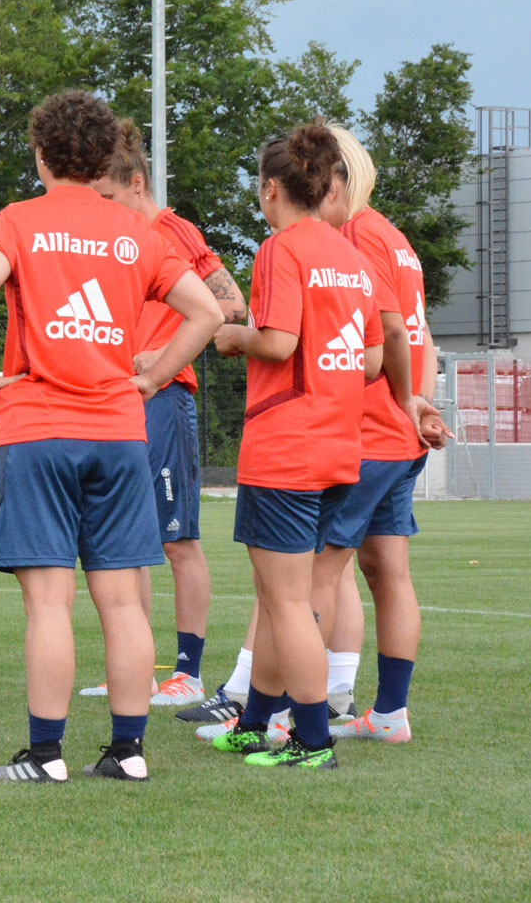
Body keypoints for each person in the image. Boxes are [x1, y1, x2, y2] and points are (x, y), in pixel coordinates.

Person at [0, 91, 221, 783]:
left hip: (38, 429)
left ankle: (46, 757)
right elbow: (205, 311)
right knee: (124, 599)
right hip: (118, 433)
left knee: (49, 601)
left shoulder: (16, 222)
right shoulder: (140, 234)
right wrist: (155, 376)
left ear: (41, 154)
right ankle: (129, 753)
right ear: (106, 157)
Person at [202, 122, 379, 770]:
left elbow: (276, 341)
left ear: (271, 188)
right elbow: (368, 361)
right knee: (278, 594)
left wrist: (232, 335)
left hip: (286, 445)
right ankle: (255, 722)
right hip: (337, 443)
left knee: (285, 602)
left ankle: (310, 739)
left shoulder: (282, 250)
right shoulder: (351, 258)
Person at [75, 118, 246, 708]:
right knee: (129, 539)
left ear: (137, 183)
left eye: (109, 197)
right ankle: (139, 672)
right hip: (118, 399)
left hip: (165, 397)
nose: (102, 208)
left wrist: (164, 353)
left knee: (177, 540)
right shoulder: (110, 238)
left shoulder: (173, 230)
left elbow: (230, 303)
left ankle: (189, 674)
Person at [317, 125, 448, 744]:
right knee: (386, 570)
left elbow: (391, 332)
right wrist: (421, 404)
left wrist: (402, 398)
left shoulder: (357, 234)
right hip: (402, 431)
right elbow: (422, 333)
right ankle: (390, 713)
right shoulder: (393, 235)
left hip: (371, 426)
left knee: (309, 573)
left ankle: (287, 711)